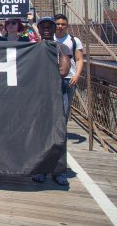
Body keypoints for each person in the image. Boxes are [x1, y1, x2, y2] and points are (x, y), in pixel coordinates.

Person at [33, 16, 72, 186]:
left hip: (56, 95)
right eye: (43, 26)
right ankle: (41, 169)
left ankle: (58, 171)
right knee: (39, 133)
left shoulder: (61, 47)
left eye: (50, 26)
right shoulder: (32, 48)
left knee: (59, 133)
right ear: (39, 29)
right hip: (38, 97)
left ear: (55, 29)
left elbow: (63, 70)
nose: (47, 28)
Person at [54, 14, 84, 121]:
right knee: (51, 107)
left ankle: (62, 134)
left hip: (69, 79)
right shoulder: (48, 39)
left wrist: (77, 75)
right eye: (57, 24)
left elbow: (79, 59)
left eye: (63, 24)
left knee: (65, 108)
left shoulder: (74, 40)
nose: (60, 26)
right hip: (51, 78)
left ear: (67, 26)